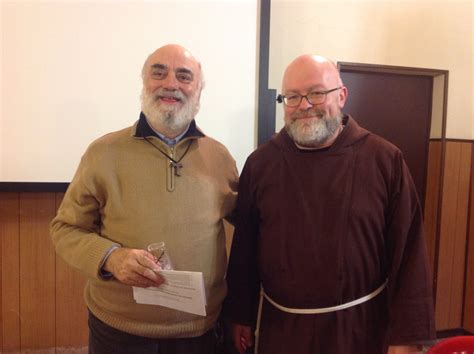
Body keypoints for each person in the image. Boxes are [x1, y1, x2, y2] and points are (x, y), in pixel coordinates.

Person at [223, 54, 435, 354]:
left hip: (360, 331)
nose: (304, 105)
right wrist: (240, 315)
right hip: (282, 332)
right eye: (292, 97)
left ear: (342, 95)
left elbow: (409, 254)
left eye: (317, 93)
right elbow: (245, 250)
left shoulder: (385, 160)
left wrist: (406, 338)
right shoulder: (261, 164)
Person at [50, 44, 238, 354]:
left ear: (198, 92)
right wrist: (110, 257)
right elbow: (65, 229)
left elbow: (253, 223)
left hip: (200, 333)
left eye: (184, 76)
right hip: (119, 332)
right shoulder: (103, 153)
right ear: (144, 83)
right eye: (159, 72)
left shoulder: (219, 158)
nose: (170, 84)